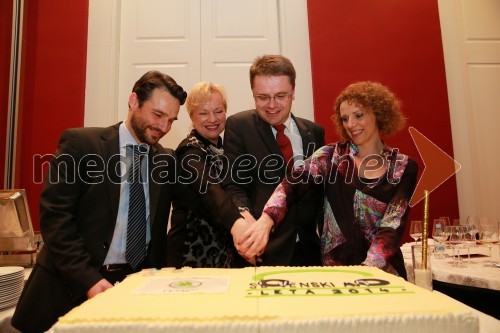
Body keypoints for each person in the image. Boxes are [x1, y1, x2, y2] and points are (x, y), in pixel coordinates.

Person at [11, 71, 188, 333]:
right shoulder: (81, 145)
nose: (164, 127)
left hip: (134, 292)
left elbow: (190, 210)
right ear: (133, 101)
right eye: (157, 115)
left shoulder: (166, 160)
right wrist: (89, 280)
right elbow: (55, 219)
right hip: (69, 289)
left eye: (171, 120)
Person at [238, 81, 418, 278]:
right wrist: (267, 220)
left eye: (359, 115)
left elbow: (391, 227)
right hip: (335, 275)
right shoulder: (331, 156)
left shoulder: (403, 167)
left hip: (382, 276)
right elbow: (291, 185)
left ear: (378, 114)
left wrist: (367, 273)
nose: (351, 124)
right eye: (345, 118)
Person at [223, 54, 325, 266]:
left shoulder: (314, 132)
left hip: (309, 253)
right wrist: (245, 220)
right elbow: (234, 185)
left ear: (293, 93)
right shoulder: (239, 126)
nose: (271, 105)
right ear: (253, 94)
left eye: (280, 96)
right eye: (262, 97)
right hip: (262, 252)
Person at [167, 82, 253, 268]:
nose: (212, 119)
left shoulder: (226, 148)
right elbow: (212, 191)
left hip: (223, 255)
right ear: (191, 116)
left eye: (218, 111)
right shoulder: (189, 151)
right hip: (190, 256)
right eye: (203, 113)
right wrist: (241, 226)